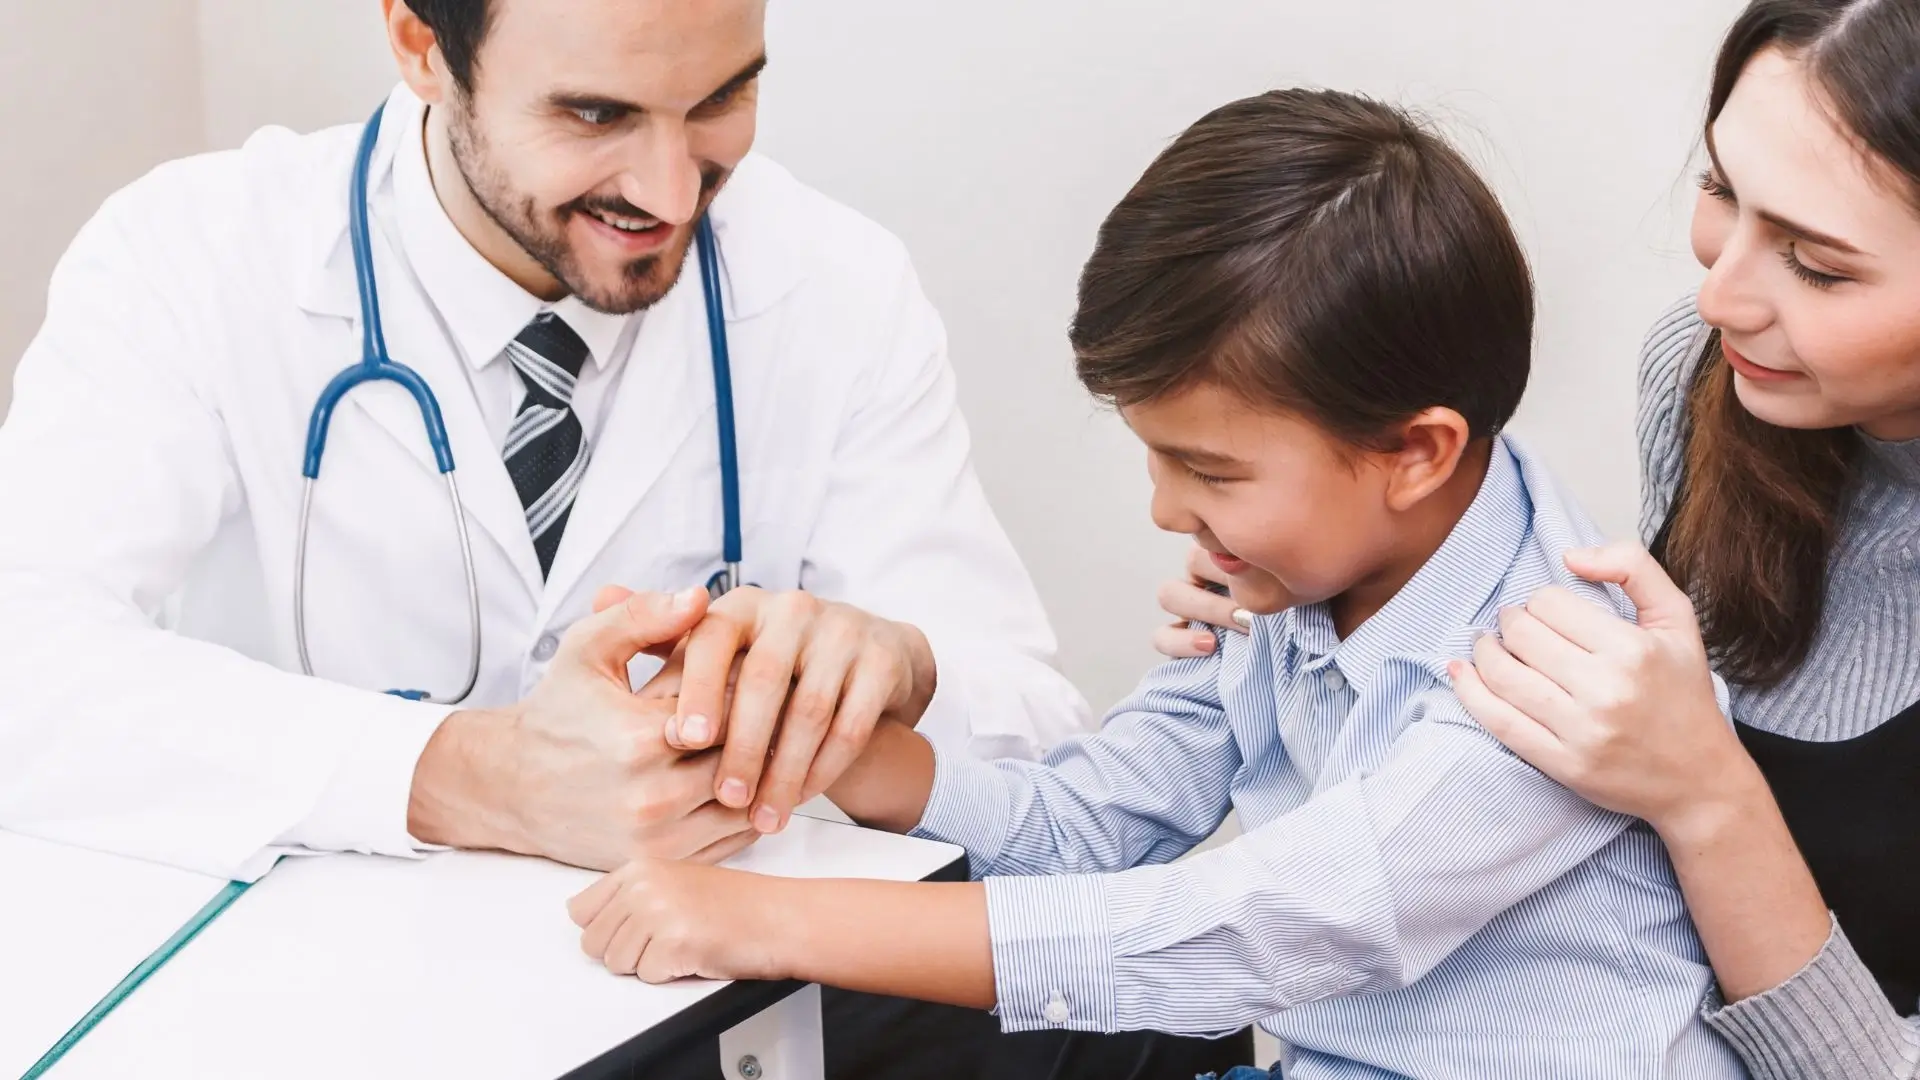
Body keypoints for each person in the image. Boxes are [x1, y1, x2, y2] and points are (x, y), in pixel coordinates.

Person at [0, 1, 1262, 1077]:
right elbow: (26, 664)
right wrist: (465, 773)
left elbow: (1036, 734)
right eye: (597, 116)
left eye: (722, 100)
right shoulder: (194, 258)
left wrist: (894, 669)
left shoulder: (832, 282)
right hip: (311, 1014)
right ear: (417, 42)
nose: (670, 194)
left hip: (699, 1006)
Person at [558, 88, 1747, 1080]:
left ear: (1417, 452)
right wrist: (825, 744)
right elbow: (1087, 828)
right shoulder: (1288, 591)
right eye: (1156, 457)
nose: (1168, 511)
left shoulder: (1556, 679)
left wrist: (766, 923)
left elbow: (1256, 926)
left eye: (1209, 470)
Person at [1164, 4, 1920, 1077]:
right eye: (1721, 194)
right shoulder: (1714, 376)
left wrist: (1709, 800)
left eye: (1818, 265)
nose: (1719, 293)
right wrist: (1309, 569)